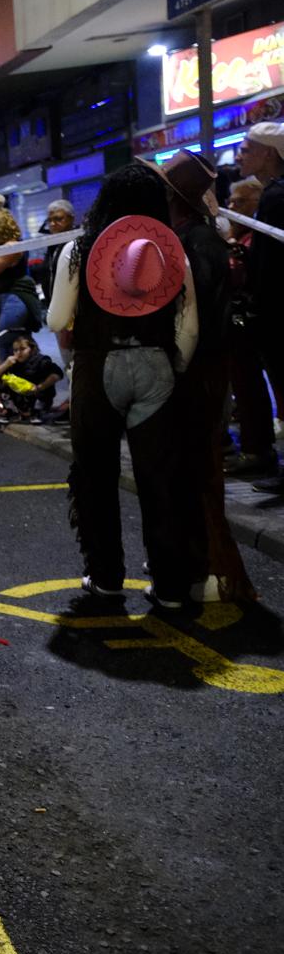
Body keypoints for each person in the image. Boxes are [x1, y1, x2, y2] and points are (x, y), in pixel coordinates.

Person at [46, 163, 199, 607]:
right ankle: (170, 586)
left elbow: (57, 319)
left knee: (96, 476)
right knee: (161, 480)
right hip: (156, 368)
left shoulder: (77, 251)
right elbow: (188, 328)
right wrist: (175, 368)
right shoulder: (172, 253)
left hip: (97, 368)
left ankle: (106, 576)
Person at [152, 151, 255, 603]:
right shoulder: (198, 238)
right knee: (194, 471)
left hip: (197, 371)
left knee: (196, 472)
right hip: (201, 368)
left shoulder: (194, 243)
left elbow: (192, 319)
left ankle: (211, 570)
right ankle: (204, 566)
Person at [236, 123, 284, 496]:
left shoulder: (275, 198)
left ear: (269, 153)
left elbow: (268, 265)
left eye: (246, 148)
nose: (240, 155)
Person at [223, 176, 277, 479]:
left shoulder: (258, 238)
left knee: (256, 391)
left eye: (239, 202)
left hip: (259, 324)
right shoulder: (236, 236)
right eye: (230, 202)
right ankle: (254, 448)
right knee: (245, 391)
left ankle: (259, 452)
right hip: (240, 326)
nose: (232, 207)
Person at [0, 209, 42, 361]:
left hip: (15, 298)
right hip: (6, 298)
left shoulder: (11, 246)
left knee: (6, 343)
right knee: (16, 343)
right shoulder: (6, 246)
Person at [0, 332, 63, 425]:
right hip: (20, 398)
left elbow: (57, 374)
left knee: (44, 379)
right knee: (3, 380)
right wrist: (5, 364)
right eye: (15, 350)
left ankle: (37, 412)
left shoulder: (41, 361)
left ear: (32, 349)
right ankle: (9, 410)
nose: (18, 353)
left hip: (36, 395)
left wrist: (39, 387)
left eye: (22, 349)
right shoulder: (13, 362)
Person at [38, 200, 76, 301]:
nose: (52, 224)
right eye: (49, 220)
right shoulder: (51, 243)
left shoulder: (78, 241)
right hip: (53, 302)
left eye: (58, 219)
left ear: (71, 218)